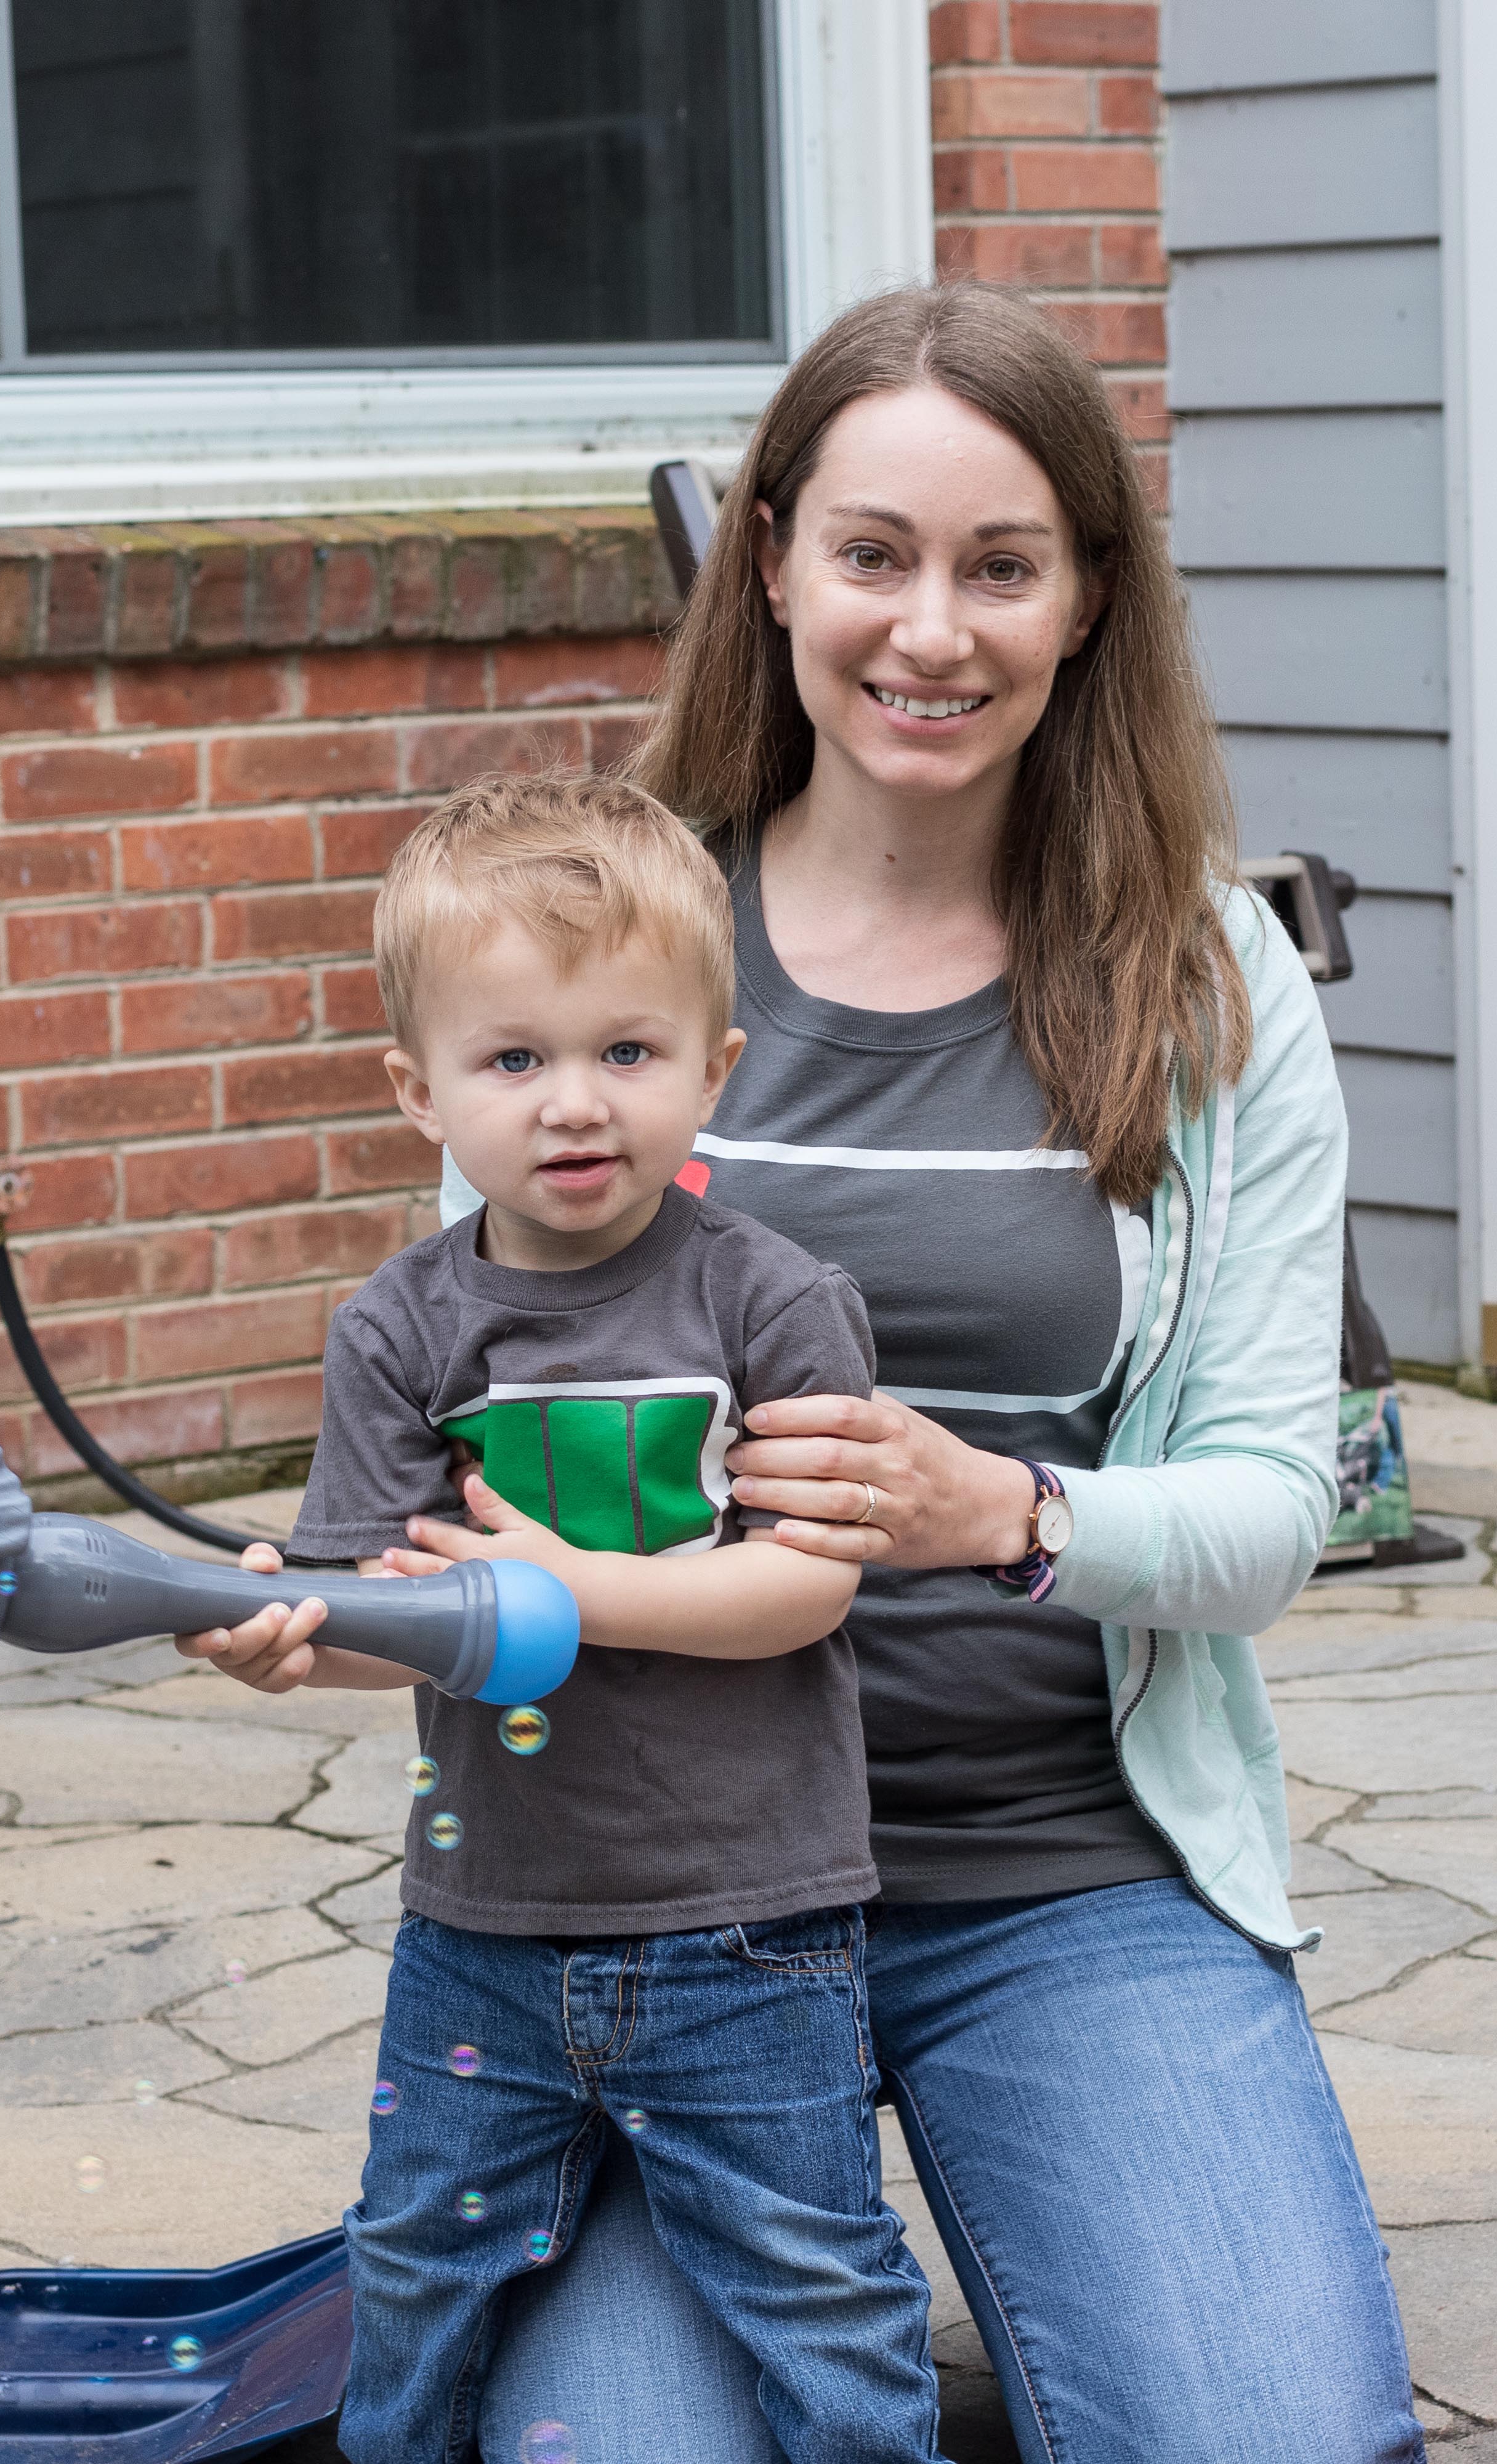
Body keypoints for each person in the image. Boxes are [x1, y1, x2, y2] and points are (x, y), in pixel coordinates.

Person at [464, 284, 1426, 2464]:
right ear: (775, 558)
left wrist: (999, 1511)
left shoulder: (1211, 977)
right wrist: (355, 1591)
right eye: (877, 554)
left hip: (1062, 1880)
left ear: (1089, 601)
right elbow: (467, 1418)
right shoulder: (614, 936)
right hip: (664, 1913)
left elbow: (1279, 1509)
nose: (934, 629)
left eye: (1005, 567)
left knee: (1266, 2440)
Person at [180, 772, 953, 2463]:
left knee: (817, 2282)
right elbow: (383, 1603)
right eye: (513, 1058)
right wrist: (285, 1632)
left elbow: (804, 1588)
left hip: (753, 1922)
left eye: (628, 1050)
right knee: (413, 2264)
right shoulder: (400, 1329)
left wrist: (566, 1590)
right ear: (419, 1089)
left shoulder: (773, 1303)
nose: (574, 1104)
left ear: (715, 1071)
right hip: (487, 1922)